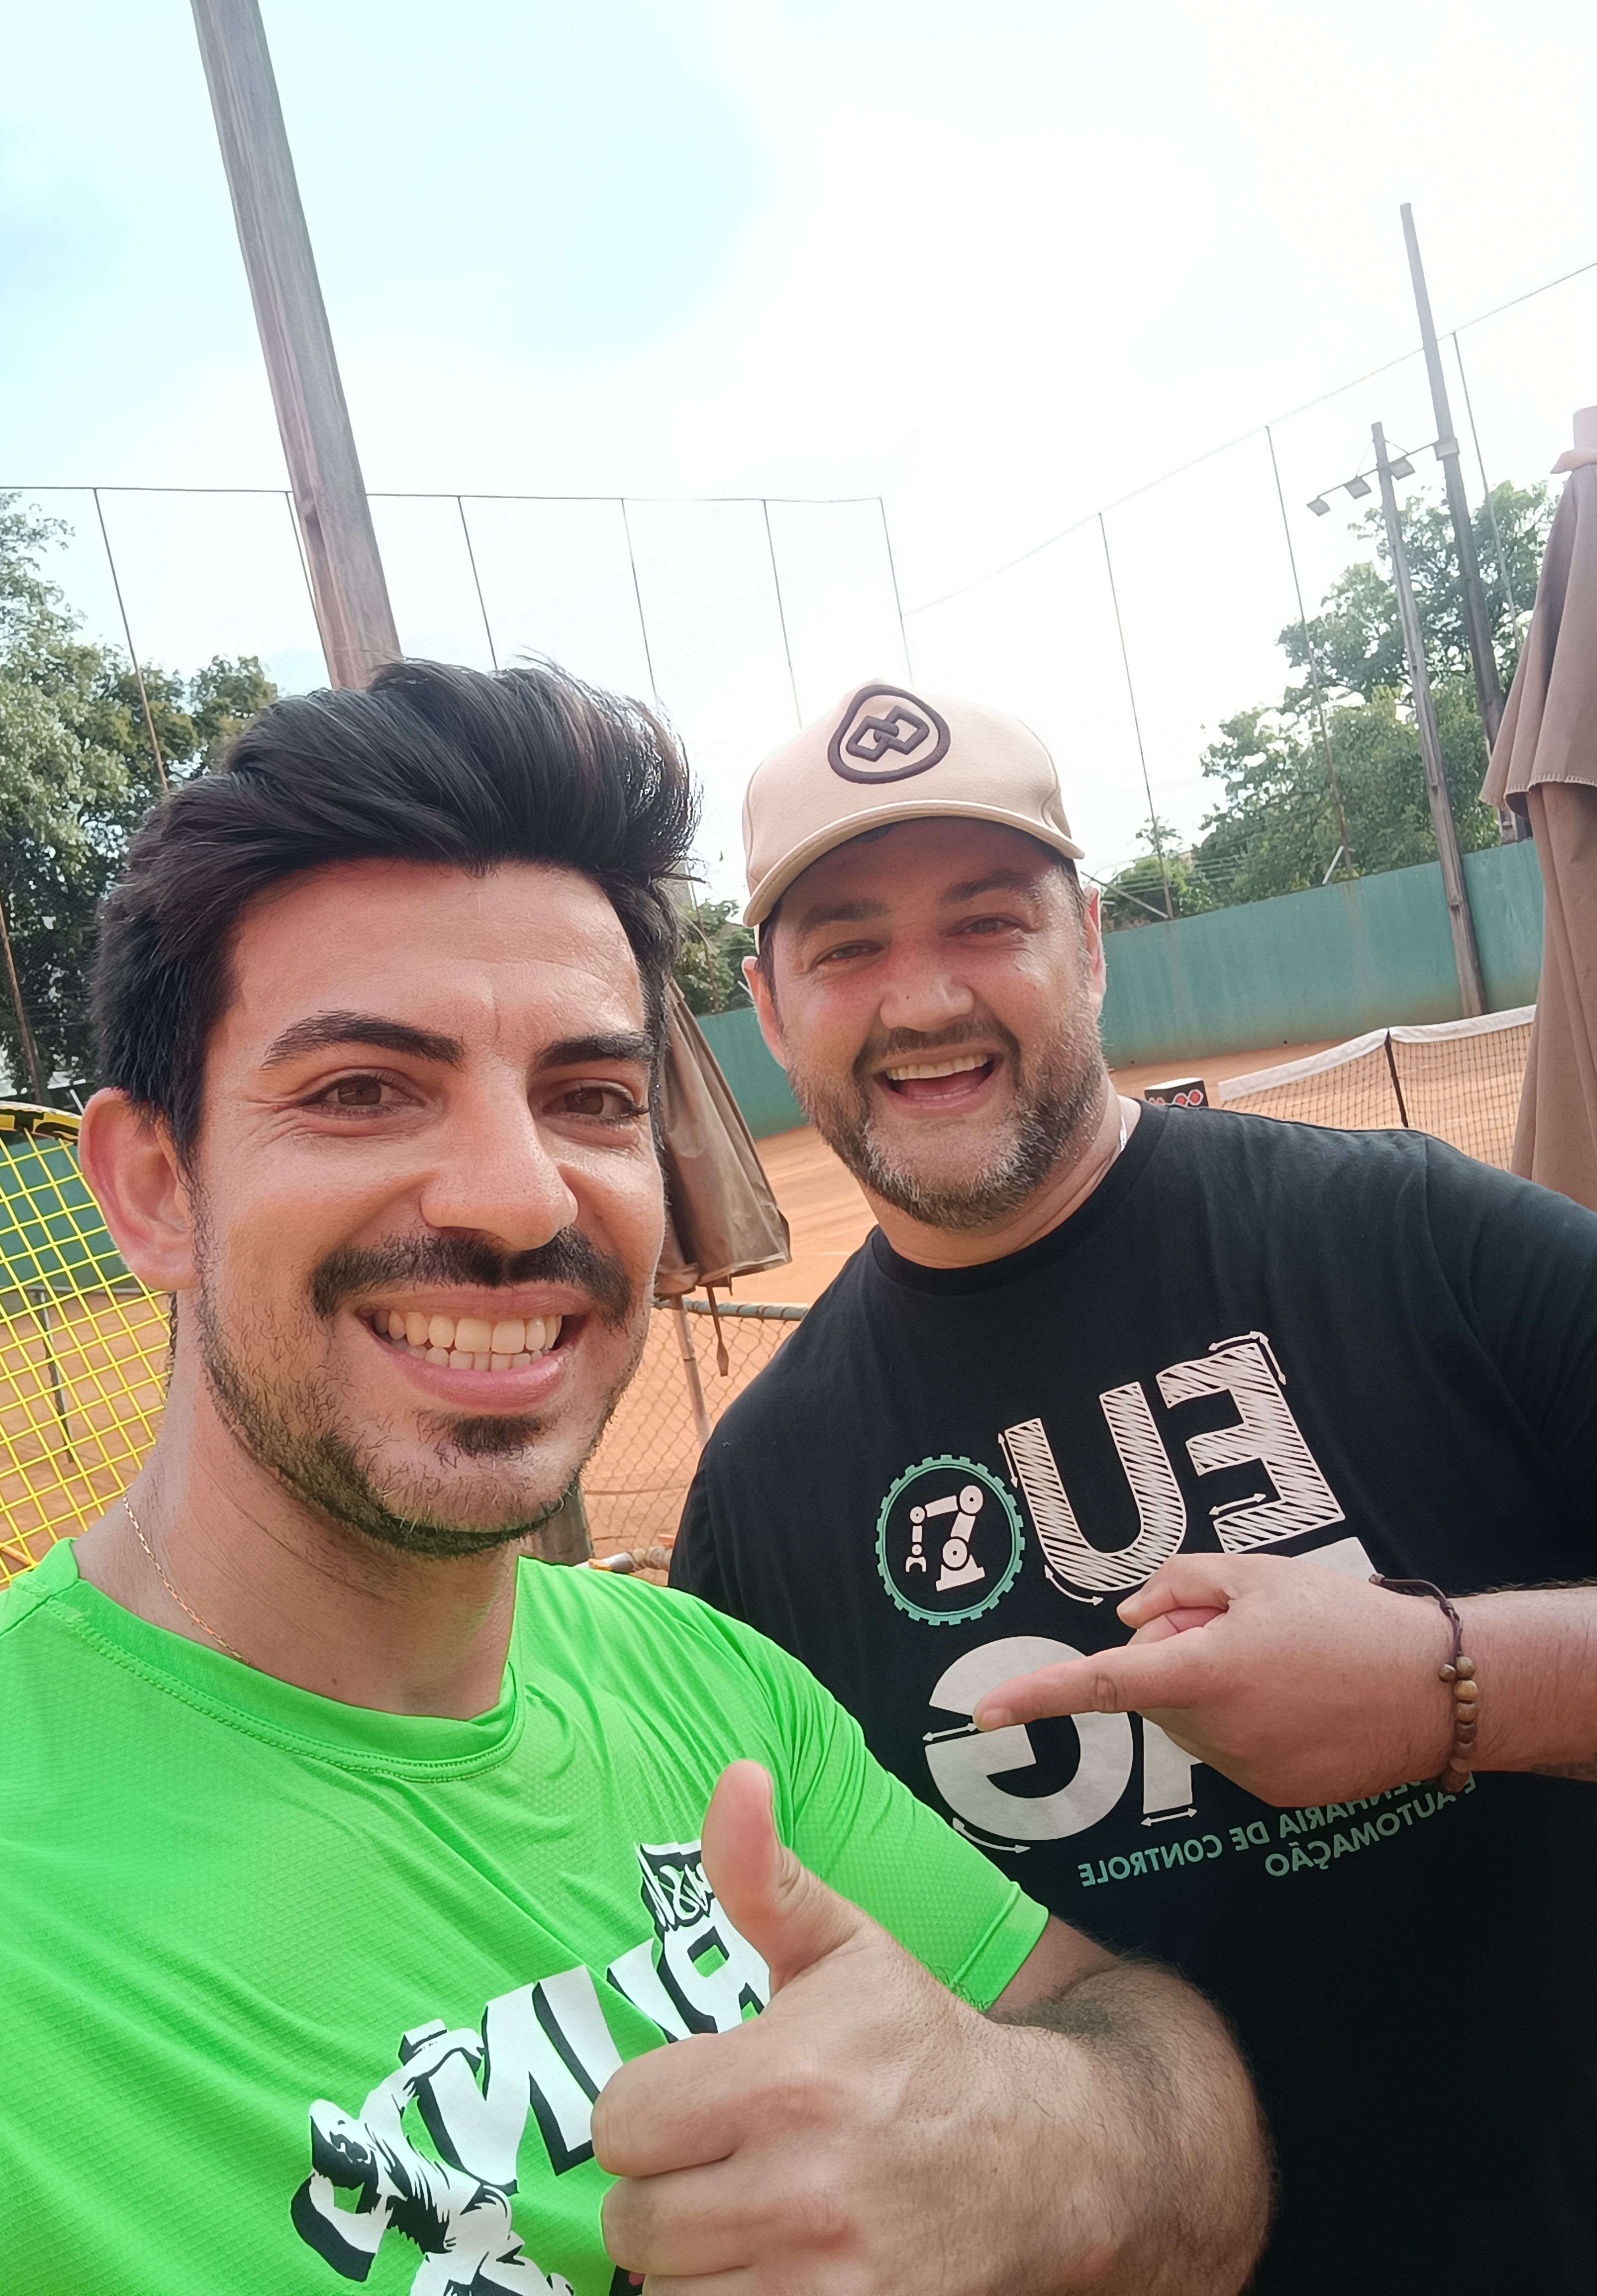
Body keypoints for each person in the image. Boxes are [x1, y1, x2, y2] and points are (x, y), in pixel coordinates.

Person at [0, 663, 1268, 2296]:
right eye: (361, 1091)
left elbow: (1168, 2095)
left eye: (590, 1098)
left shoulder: (711, 1687)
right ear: (156, 1186)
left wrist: (1023, 2139)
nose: (518, 1197)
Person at [671, 677, 1597, 2295]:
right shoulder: (759, 1498)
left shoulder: (1407, 1237)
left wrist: (1454, 1683)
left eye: (987, 921)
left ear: (1090, 940)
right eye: (847, 948)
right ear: (768, 1003)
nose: (924, 999)